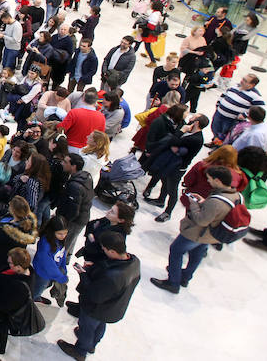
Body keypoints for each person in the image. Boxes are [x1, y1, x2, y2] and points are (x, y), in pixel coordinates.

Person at [150, 166, 240, 294]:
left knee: (176, 250)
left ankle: (173, 282)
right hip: (211, 234)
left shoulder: (216, 201)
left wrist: (194, 204)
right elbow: (218, 212)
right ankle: (185, 277)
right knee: (197, 254)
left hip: (198, 232)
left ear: (218, 181)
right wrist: (204, 202)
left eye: (209, 179)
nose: (208, 181)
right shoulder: (235, 195)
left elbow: (201, 220)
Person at [57, 232, 141, 361]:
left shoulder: (112, 277)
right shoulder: (134, 261)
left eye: (104, 249)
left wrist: (83, 274)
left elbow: (94, 294)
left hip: (97, 308)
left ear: (112, 251)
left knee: (87, 328)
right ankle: (92, 345)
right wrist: (96, 268)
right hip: (113, 308)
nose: (102, 250)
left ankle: (80, 351)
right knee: (100, 325)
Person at [209, 74, 264, 145]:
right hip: (219, 114)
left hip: (231, 120)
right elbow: (224, 95)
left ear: (252, 85)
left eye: (245, 81)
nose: (242, 81)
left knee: (225, 135)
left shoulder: (255, 96)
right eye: (243, 78)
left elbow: (259, 109)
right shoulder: (235, 86)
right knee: (215, 129)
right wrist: (218, 105)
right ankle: (214, 142)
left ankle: (219, 149)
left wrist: (245, 115)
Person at [57, 153, 93, 260]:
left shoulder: (75, 186)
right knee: (71, 241)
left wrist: (63, 222)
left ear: (74, 166)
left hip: (74, 221)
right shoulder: (85, 177)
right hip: (82, 217)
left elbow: (73, 211)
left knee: (65, 244)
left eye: (66, 162)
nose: (62, 164)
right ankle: (66, 259)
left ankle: (60, 264)